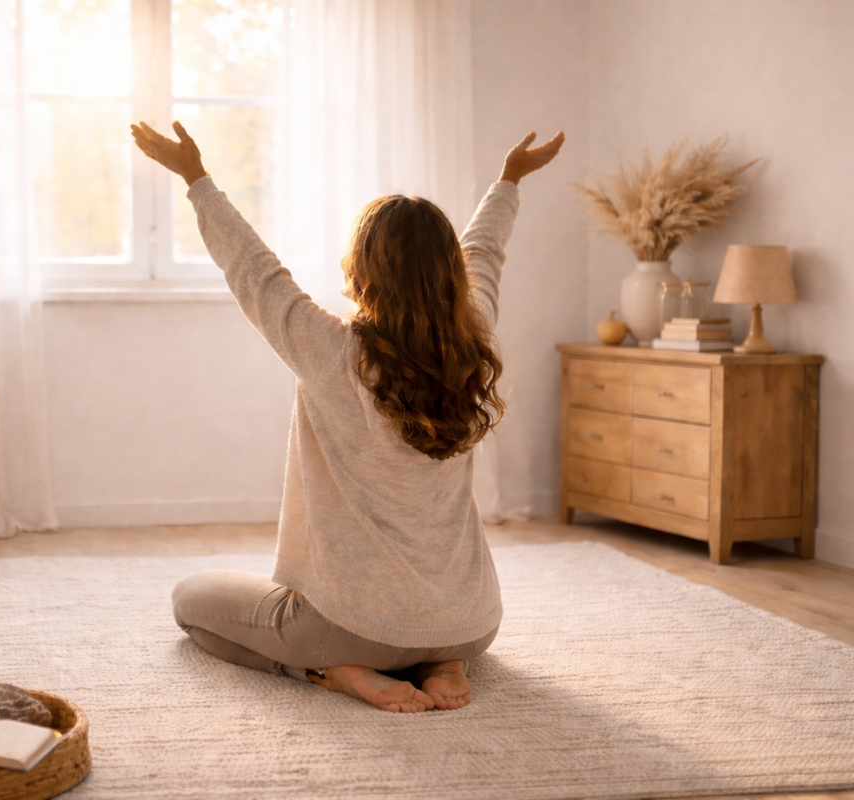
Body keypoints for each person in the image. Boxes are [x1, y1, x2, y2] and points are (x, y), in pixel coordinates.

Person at [131, 120, 565, 713]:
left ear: (362, 269)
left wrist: (196, 178)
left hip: (353, 628)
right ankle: (443, 661)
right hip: (473, 623)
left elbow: (255, 272)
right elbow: (484, 254)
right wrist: (509, 180)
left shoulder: (332, 352)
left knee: (192, 604)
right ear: (448, 276)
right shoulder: (473, 340)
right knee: (427, 632)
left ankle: (342, 674)